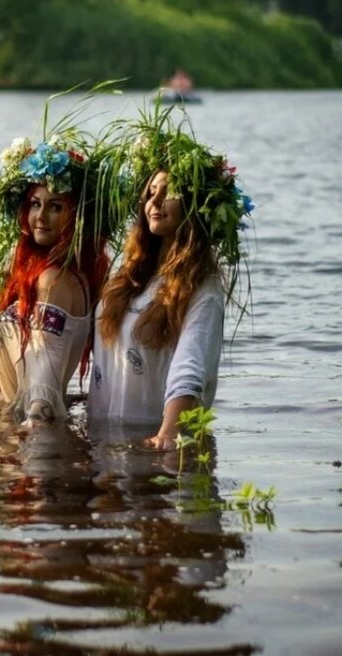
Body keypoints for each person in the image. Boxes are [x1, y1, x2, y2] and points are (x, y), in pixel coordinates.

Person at [88, 106, 254, 449]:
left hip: (155, 442)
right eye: (150, 193)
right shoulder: (128, 276)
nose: (156, 201)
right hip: (105, 441)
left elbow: (189, 367)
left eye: (169, 192)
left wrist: (167, 435)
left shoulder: (202, 288)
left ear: (193, 205)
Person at [0, 112, 126, 425]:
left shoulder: (53, 281)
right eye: (35, 204)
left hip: (21, 433)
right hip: (7, 426)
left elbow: (43, 379)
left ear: (77, 217)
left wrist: (33, 440)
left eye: (56, 207)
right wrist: (7, 282)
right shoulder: (44, 274)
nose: (41, 216)